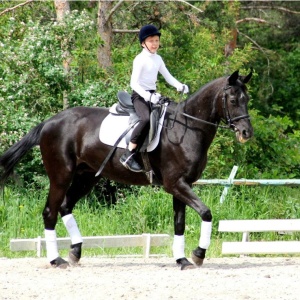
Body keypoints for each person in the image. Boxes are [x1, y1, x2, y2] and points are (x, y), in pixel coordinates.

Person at [120, 24, 189, 172]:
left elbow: (168, 76)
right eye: (151, 41)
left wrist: (179, 85)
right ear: (143, 43)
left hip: (153, 95)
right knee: (145, 119)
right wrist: (148, 96)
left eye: (156, 40)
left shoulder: (158, 59)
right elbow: (134, 83)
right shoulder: (140, 59)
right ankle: (128, 153)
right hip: (140, 95)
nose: (155, 44)